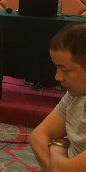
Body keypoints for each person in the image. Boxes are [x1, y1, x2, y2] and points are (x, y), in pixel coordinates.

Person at [30, 23, 86, 171]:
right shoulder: (76, 93)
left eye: (65, 70)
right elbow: (37, 136)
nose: (57, 77)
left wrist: (58, 147)